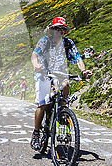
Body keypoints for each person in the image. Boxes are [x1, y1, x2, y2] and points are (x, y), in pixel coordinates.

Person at [30, 17, 91, 151]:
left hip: (60, 74)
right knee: (43, 104)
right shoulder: (45, 41)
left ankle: (62, 113)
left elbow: (78, 58)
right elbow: (34, 55)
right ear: (52, 30)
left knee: (65, 87)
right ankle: (35, 133)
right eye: (57, 28)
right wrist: (36, 65)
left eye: (63, 29)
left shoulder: (68, 43)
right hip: (43, 74)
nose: (60, 31)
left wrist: (84, 71)